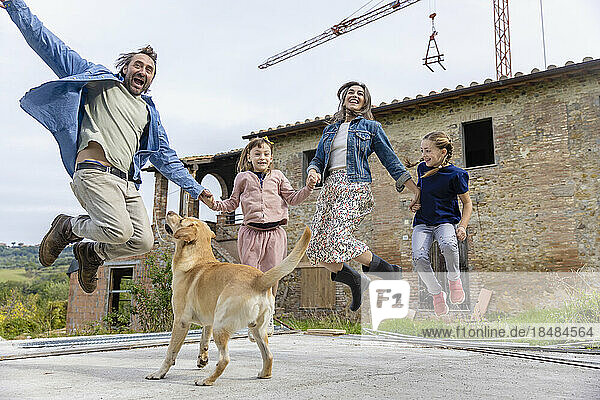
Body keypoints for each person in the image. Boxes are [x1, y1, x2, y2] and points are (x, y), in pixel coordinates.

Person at [1, 0, 210, 294]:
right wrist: (15, 7)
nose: (143, 71)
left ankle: (92, 253)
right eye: (138, 65)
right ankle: (68, 227)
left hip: (127, 183)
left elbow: (165, 156)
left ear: (151, 78)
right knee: (119, 230)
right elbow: (50, 45)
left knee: (142, 241)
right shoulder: (101, 81)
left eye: (149, 69)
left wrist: (197, 189)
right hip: (95, 172)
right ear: (125, 68)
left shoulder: (148, 111)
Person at [305, 81, 420, 312]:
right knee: (315, 248)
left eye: (360, 93)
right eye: (351, 92)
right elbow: (317, 159)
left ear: (366, 101)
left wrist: (415, 189)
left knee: (337, 236)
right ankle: (357, 280)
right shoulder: (329, 131)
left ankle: (388, 271)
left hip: (354, 185)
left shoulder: (371, 127)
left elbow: (391, 160)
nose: (355, 95)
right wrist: (313, 171)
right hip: (329, 188)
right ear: (343, 98)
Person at [203, 137, 317, 333]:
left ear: (271, 157)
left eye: (265, 154)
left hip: (275, 234)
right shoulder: (243, 178)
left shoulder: (278, 176)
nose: (262, 157)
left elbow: (292, 198)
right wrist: (213, 204)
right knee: (249, 277)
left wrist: (308, 188)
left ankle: (268, 318)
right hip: (250, 234)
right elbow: (231, 203)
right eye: (257, 154)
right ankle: (252, 320)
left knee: (272, 277)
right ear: (249, 156)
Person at [407, 131, 473, 316]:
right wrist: (415, 201)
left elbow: (467, 204)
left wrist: (462, 226)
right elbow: (422, 191)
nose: (423, 155)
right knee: (419, 258)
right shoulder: (422, 168)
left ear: (443, 152)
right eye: (422, 150)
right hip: (423, 222)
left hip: (445, 221)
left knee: (448, 244)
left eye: (428, 150)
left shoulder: (457, 175)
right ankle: (437, 294)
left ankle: (454, 280)